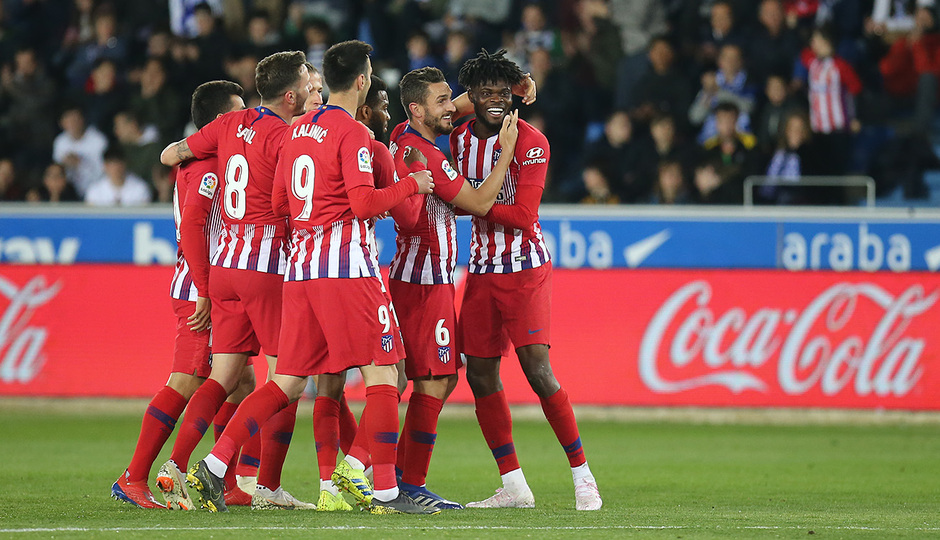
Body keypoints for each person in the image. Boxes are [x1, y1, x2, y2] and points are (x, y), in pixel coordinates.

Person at [185, 40, 436, 515]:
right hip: (347, 269)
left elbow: (281, 204)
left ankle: (215, 465)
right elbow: (363, 205)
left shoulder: (296, 130)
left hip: (298, 271)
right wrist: (410, 184)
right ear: (362, 82)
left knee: (288, 383)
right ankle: (383, 488)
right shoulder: (355, 135)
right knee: (386, 373)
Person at [159, 50, 314, 512]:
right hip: (265, 267)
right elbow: (293, 203)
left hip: (226, 264)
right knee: (288, 380)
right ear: (291, 96)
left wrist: (192, 156)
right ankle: (235, 473)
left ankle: (175, 467)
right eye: (307, 83)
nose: (311, 89)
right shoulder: (287, 137)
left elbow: (174, 152)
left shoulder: (228, 125)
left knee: (224, 374)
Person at [449, 49, 602, 511]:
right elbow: (428, 111)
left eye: (502, 92)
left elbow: (522, 216)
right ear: (471, 96)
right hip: (479, 271)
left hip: (524, 270)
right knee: (479, 374)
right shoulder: (456, 140)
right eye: (485, 92)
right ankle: (513, 485)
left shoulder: (532, 141)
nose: (494, 100)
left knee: (538, 370)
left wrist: (470, 202)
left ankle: (583, 476)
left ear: (514, 95)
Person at [379, 66, 519, 511]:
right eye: (442, 102)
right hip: (425, 282)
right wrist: (505, 153)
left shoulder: (405, 133)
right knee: (434, 380)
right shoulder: (429, 157)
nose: (453, 109)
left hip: (415, 278)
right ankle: (398, 481)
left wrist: (520, 87)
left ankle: (383, 476)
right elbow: (479, 203)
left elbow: (458, 105)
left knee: (412, 379)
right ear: (418, 109)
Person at [111, 80, 251, 509]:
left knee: (241, 380)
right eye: (236, 112)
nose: (244, 119)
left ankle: (224, 483)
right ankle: (133, 477)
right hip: (199, 287)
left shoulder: (213, 158)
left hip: (214, 284)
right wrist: (205, 290)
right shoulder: (207, 165)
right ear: (216, 122)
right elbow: (192, 227)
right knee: (188, 378)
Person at [84, 146, 152, 206]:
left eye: (118, 165)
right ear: (105, 166)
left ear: (125, 164)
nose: (115, 169)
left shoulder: (140, 188)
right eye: (111, 165)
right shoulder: (95, 190)